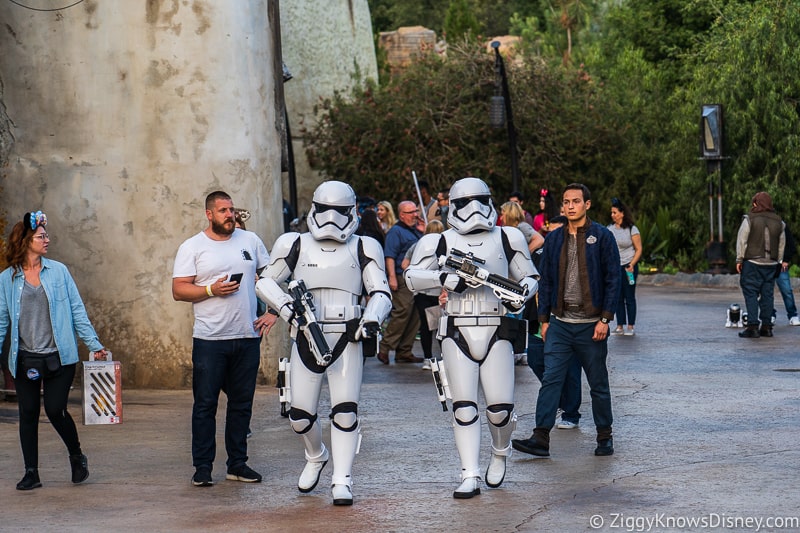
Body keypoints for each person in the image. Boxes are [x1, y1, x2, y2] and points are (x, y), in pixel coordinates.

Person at [256, 181, 392, 506]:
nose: (332, 219)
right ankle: (316, 454)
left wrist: (372, 318)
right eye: (325, 210)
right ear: (314, 210)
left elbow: (381, 292)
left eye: (340, 212)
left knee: (345, 411)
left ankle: (342, 479)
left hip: (347, 333)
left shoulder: (365, 245)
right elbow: (265, 281)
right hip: (305, 332)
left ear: (353, 212)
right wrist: (287, 308)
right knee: (300, 415)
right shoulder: (295, 243)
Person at [405, 177, 539, 499]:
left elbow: (530, 276)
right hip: (456, 326)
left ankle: (499, 450)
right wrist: (446, 279)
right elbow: (411, 277)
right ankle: (469, 473)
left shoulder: (508, 237)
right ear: (452, 206)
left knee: (500, 410)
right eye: (464, 203)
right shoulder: (438, 242)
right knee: (463, 407)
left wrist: (518, 295)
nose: (473, 209)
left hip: (496, 325)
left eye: (480, 199)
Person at [172, 191, 276, 487]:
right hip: (210, 340)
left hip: (247, 336)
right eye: (223, 211)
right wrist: (210, 291)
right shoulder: (192, 247)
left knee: (242, 404)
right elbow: (179, 290)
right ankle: (203, 467)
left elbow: (270, 278)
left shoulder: (251, 241)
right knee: (205, 405)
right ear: (209, 214)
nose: (230, 215)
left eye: (232, 210)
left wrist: (274, 312)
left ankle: (237, 464)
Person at [0, 211, 109, 490]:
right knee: (28, 412)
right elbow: (1, 320)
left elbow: (77, 311)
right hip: (25, 358)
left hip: (59, 356)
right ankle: (31, 472)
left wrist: (94, 345)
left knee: (55, 409)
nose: (47, 240)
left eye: (46, 235)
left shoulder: (59, 271)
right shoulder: (7, 279)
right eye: (41, 236)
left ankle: (76, 456)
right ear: (26, 240)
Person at [512, 183, 620, 458]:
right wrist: (544, 320)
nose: (570, 206)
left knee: (598, 383)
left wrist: (605, 319)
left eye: (575, 201)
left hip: (591, 324)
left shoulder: (602, 236)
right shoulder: (554, 239)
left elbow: (612, 280)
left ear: (587, 204)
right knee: (551, 380)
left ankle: (604, 436)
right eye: (566, 202)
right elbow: (545, 281)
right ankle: (540, 438)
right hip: (560, 324)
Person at [378, 200, 424, 364]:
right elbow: (389, 255)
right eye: (411, 212)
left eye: (416, 211)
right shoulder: (396, 232)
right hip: (401, 276)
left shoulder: (416, 230)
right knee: (402, 312)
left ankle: (404, 350)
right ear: (402, 214)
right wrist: (391, 277)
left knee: (415, 314)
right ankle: (385, 347)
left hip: (416, 277)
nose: (416, 215)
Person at [735, 192, 785, 338]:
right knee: (768, 295)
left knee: (750, 293)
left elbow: (742, 240)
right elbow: (782, 244)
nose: (753, 205)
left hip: (752, 262)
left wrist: (739, 260)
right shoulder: (779, 222)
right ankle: (767, 327)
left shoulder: (749, 219)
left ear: (757, 203)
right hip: (771, 263)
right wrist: (779, 262)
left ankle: (752, 327)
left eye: (754, 203)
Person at [401, 220, 445, 369]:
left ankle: (428, 358)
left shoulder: (417, 246)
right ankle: (445, 357)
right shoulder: (445, 245)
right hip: (438, 291)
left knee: (425, 326)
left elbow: (404, 265)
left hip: (421, 292)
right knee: (440, 326)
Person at [608, 197, 643, 336]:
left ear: (622, 213)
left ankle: (630, 326)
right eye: (611, 212)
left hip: (629, 267)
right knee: (618, 297)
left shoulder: (632, 229)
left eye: (615, 212)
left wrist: (632, 264)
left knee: (629, 297)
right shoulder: (609, 229)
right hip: (616, 267)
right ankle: (620, 326)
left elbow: (639, 249)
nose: (613, 215)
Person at [775, 222, 799, 326]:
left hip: (780, 264)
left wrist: (786, 260)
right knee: (766, 292)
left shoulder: (781, 225)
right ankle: (769, 315)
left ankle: (792, 314)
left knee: (787, 290)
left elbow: (791, 245)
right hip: (766, 264)